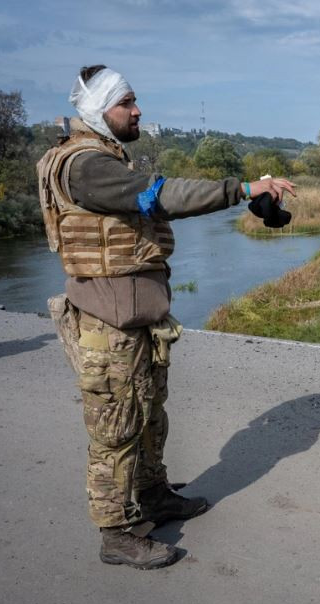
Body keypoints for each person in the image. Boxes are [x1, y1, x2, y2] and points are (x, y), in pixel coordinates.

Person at [37, 65, 296, 570]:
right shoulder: (86, 166)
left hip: (136, 319)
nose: (138, 111)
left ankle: (153, 495)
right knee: (115, 427)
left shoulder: (104, 157)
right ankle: (116, 533)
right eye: (127, 103)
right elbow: (161, 195)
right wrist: (240, 188)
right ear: (97, 110)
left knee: (149, 413)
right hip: (107, 324)